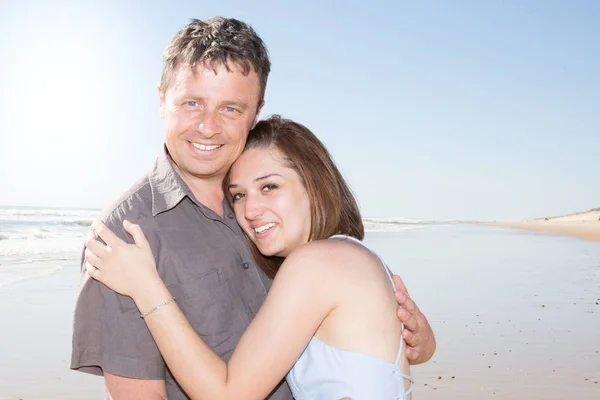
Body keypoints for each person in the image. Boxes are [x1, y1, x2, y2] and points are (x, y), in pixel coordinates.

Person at [71, 17, 435, 399]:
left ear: (255, 112)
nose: (207, 127)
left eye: (230, 108)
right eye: (192, 103)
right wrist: (417, 346)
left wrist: (415, 341)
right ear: (161, 100)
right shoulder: (123, 240)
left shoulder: (280, 225)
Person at [85, 115, 417, 399]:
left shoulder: (316, 264)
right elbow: (402, 351)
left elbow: (228, 395)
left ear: (314, 184)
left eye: (269, 186)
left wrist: (147, 288)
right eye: (239, 195)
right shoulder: (352, 255)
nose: (251, 210)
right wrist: (424, 343)